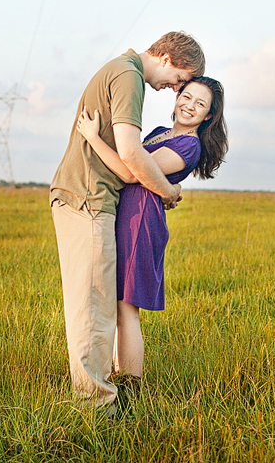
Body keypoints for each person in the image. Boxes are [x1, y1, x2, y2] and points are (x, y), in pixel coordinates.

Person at [49, 31, 206, 412]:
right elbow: (132, 156)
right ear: (167, 59)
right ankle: (95, 407)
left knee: (104, 305)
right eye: (181, 80)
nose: (176, 89)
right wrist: (168, 193)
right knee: (94, 307)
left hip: (95, 198)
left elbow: (131, 157)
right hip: (88, 197)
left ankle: (103, 393)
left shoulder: (123, 71)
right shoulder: (128, 76)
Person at [75, 76, 228, 409]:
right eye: (187, 97)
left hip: (141, 221)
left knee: (127, 306)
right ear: (177, 99)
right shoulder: (160, 132)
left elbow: (133, 171)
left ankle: (132, 389)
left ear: (207, 117)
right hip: (125, 214)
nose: (190, 106)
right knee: (117, 305)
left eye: (200, 105)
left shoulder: (189, 146)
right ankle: (118, 377)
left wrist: (91, 138)